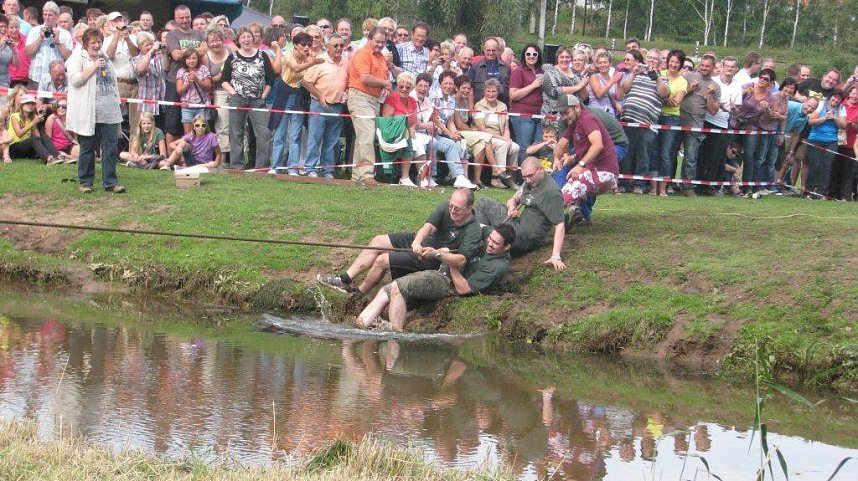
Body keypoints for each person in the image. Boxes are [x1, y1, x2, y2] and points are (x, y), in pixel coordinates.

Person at [317, 188, 484, 294]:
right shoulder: (445, 206)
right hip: (421, 245)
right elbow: (428, 227)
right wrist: (416, 242)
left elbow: (461, 260)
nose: (452, 211)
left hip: (431, 258)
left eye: (458, 209)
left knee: (382, 260)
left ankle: (358, 295)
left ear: (469, 208)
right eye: (451, 206)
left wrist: (437, 254)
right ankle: (344, 280)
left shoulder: (473, 229)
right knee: (378, 240)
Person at [356, 223, 516, 331]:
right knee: (385, 292)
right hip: (442, 269)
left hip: (448, 283)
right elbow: (477, 226)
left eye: (495, 243)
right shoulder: (492, 237)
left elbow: (463, 289)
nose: (489, 244)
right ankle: (358, 328)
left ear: (507, 246)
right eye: (490, 239)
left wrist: (451, 260)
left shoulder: (497, 266)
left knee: (398, 288)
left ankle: (396, 336)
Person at [474, 156, 566, 270]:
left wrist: (556, 256)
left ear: (541, 169)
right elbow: (514, 199)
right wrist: (512, 206)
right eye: (524, 177)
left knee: (484, 203)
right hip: (518, 225)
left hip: (524, 238)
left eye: (530, 175)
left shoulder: (552, 192)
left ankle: (477, 242)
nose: (527, 180)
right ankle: (483, 240)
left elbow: (560, 225)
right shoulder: (531, 182)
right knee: (493, 207)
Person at [66, 27, 124, 193]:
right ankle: (86, 182)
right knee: (87, 148)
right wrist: (93, 67)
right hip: (88, 112)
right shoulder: (78, 57)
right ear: (86, 44)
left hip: (109, 110)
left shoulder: (105, 57)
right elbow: (75, 80)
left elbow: (112, 81)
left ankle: (110, 182)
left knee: (110, 148)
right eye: (93, 43)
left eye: (99, 42)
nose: (97, 45)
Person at [552, 94, 619, 214]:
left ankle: (545, 218)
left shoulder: (587, 119)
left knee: (570, 188)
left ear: (577, 107)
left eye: (566, 112)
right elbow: (561, 144)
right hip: (594, 170)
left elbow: (598, 145)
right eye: (561, 114)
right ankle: (575, 214)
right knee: (571, 181)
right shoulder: (574, 123)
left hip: (605, 172)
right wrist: (558, 159)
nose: (564, 117)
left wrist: (580, 165)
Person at [220, 25, 275, 170]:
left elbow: (270, 79)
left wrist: (264, 95)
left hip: (257, 100)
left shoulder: (263, 56)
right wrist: (233, 93)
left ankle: (262, 165)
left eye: (249, 37)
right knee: (236, 133)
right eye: (243, 37)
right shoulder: (233, 56)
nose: (246, 39)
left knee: (263, 134)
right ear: (239, 40)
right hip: (238, 99)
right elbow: (224, 80)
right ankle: (237, 165)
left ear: (253, 38)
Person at [617, 49, 669, 194]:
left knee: (643, 154)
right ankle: (624, 182)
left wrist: (657, 77)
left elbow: (664, 93)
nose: (651, 61)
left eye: (655, 59)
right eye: (649, 58)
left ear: (659, 62)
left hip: (647, 122)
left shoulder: (663, 78)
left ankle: (639, 184)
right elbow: (624, 88)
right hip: (629, 118)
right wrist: (633, 73)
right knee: (626, 153)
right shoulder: (635, 74)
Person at [271, 31, 319, 175]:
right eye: (303, 44)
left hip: (298, 96)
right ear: (296, 45)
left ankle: (293, 168)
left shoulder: (309, 57)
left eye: (308, 45)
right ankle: (276, 167)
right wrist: (311, 63)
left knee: (295, 134)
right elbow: (295, 68)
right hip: (283, 94)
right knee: (280, 133)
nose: (306, 48)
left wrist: (312, 60)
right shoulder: (288, 54)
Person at [346, 26, 390, 184]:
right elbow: (365, 78)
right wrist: (385, 83)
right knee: (367, 135)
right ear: (370, 39)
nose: (380, 44)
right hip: (360, 97)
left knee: (362, 137)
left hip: (373, 100)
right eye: (377, 41)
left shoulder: (381, 57)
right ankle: (367, 174)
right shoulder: (362, 54)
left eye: (383, 42)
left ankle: (357, 176)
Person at [302, 32, 349, 179]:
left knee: (332, 141)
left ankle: (327, 170)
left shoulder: (346, 62)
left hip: (337, 106)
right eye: (335, 45)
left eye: (341, 45)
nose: (339, 48)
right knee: (315, 138)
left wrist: (346, 92)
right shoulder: (320, 60)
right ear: (327, 47)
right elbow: (305, 81)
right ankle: (311, 168)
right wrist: (319, 95)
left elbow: (348, 82)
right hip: (319, 105)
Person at [679, 54, 720, 194]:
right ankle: (668, 184)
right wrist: (690, 88)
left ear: (713, 68)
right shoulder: (688, 77)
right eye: (702, 65)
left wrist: (709, 94)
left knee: (691, 156)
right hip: (678, 119)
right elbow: (676, 95)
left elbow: (714, 111)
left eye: (707, 66)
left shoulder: (715, 86)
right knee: (669, 154)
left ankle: (688, 187)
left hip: (696, 123)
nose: (704, 68)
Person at [164, 4, 204, 146]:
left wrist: (184, 51)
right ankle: (170, 158)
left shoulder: (199, 34)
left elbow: (205, 50)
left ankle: (192, 154)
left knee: (195, 122)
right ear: (176, 18)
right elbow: (175, 55)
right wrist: (196, 51)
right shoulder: (172, 35)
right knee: (173, 122)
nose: (185, 20)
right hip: (175, 81)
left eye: (187, 17)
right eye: (181, 18)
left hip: (197, 82)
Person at [432, 70, 478, 189]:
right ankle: (459, 176)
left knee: (461, 143)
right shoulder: (435, 98)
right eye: (445, 83)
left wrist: (455, 133)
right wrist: (449, 133)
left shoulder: (452, 101)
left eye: (450, 84)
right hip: (433, 132)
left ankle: (463, 177)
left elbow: (450, 121)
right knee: (450, 144)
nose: (448, 86)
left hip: (444, 132)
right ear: (440, 83)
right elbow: (435, 119)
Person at [449, 74, 496, 188]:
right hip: (457, 132)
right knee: (486, 136)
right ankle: (496, 169)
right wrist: (473, 130)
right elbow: (459, 124)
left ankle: (476, 180)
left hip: (466, 133)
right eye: (463, 88)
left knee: (481, 145)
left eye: (468, 88)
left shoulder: (465, 101)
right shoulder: (453, 101)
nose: (466, 90)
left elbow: (470, 115)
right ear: (457, 88)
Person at [474, 78, 519, 188]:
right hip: (485, 136)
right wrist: (502, 139)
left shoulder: (502, 106)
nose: (491, 94)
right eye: (488, 91)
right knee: (502, 144)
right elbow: (482, 128)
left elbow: (506, 126)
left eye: (494, 91)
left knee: (515, 147)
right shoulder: (479, 106)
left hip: (500, 136)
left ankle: (510, 177)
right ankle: (497, 178)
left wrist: (507, 138)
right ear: (484, 91)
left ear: (498, 92)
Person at [100, 11, 139, 139]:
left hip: (134, 83)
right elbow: (109, 54)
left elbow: (136, 54)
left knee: (136, 121)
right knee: (114, 119)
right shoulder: (106, 40)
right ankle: (113, 150)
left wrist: (127, 38)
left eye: (120, 20)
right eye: (115, 21)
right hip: (117, 83)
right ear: (110, 24)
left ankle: (134, 152)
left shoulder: (133, 38)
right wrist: (117, 35)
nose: (119, 23)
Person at [655, 49, 687, 195]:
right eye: (672, 61)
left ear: (681, 64)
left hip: (671, 119)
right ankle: (652, 188)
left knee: (666, 153)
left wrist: (663, 99)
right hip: (655, 115)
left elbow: (676, 102)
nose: (674, 64)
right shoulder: (659, 75)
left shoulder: (682, 82)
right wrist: (667, 99)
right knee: (654, 151)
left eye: (677, 62)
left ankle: (663, 188)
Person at [805, 89, 846, 197]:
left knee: (827, 167)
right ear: (830, 96)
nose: (836, 100)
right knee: (815, 165)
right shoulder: (821, 104)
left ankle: (822, 193)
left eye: (839, 98)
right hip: (815, 139)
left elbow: (843, 125)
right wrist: (824, 118)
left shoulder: (842, 108)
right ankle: (808, 191)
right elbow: (811, 121)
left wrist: (834, 118)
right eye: (834, 97)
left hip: (831, 141)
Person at [381, 71, 419, 186]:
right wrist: (405, 130)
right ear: (397, 86)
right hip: (391, 131)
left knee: (419, 144)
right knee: (411, 142)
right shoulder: (392, 98)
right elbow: (386, 120)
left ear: (411, 88)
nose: (404, 89)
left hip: (407, 133)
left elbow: (414, 121)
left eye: (407, 87)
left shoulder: (413, 101)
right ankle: (400, 176)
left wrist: (412, 129)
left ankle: (421, 177)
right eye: (401, 86)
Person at [24, 1, 72, 90]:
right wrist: (40, 38)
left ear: (57, 16)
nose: (46, 18)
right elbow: (27, 52)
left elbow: (69, 56)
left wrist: (58, 42)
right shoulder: (34, 30)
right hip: (36, 78)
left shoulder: (65, 34)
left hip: (56, 81)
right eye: (45, 14)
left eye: (50, 15)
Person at [508, 44, 543, 162]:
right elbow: (513, 95)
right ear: (524, 55)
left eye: (534, 54)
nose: (531, 56)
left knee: (538, 147)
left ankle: (535, 177)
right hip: (523, 116)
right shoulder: (519, 71)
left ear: (538, 55)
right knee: (525, 149)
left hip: (539, 115)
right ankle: (522, 177)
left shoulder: (542, 71)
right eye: (528, 54)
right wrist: (532, 86)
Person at [201, 29, 230, 163]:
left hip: (235, 91)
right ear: (207, 43)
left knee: (237, 126)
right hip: (218, 93)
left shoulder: (231, 51)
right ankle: (223, 159)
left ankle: (238, 158)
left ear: (223, 39)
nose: (215, 44)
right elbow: (206, 79)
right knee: (222, 126)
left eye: (217, 40)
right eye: (211, 41)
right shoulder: (206, 56)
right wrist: (218, 77)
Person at [542, 47, 590, 124]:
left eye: (567, 57)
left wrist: (583, 85)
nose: (565, 59)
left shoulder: (576, 73)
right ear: (557, 59)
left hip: (574, 116)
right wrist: (578, 87)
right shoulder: (550, 72)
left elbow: (584, 98)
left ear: (570, 59)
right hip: (554, 116)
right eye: (562, 57)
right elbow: (555, 92)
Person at [175, 47, 211, 134]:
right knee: (188, 134)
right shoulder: (181, 71)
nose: (191, 61)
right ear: (185, 60)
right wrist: (188, 83)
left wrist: (197, 80)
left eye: (194, 58)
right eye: (188, 58)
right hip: (187, 107)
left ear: (198, 59)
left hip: (201, 107)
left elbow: (209, 86)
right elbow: (179, 91)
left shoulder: (203, 69)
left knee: (202, 132)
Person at [469, 37, 510, 104]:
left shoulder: (506, 67)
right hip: (480, 108)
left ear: (497, 50)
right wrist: (471, 108)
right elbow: (470, 89)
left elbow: (510, 89)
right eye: (488, 50)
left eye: (493, 50)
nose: (491, 53)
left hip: (500, 108)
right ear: (484, 50)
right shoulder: (475, 67)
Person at [588, 51, 622, 116]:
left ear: (610, 64)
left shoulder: (613, 79)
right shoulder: (594, 77)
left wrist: (619, 84)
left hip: (609, 113)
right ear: (597, 65)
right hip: (596, 113)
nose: (602, 65)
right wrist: (612, 81)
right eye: (600, 63)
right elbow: (599, 94)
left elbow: (619, 97)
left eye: (605, 62)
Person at [43, 97, 76, 162]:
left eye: (64, 107)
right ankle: (69, 158)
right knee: (62, 155)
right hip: (56, 147)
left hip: (69, 146)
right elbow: (48, 139)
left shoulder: (71, 119)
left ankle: (69, 158)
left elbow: (75, 138)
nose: (60, 108)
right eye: (58, 106)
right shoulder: (51, 118)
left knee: (80, 151)